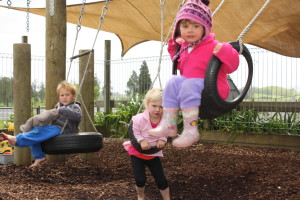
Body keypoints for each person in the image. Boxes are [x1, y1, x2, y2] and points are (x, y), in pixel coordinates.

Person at [149, 0, 239, 148]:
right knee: (173, 81)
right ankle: (169, 124)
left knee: (188, 84)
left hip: (214, 90)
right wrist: (174, 46)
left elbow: (233, 65)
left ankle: (191, 130)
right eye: (185, 26)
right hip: (190, 89)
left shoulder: (214, 45)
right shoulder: (185, 47)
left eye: (196, 26)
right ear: (179, 28)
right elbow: (176, 62)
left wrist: (225, 51)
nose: (190, 30)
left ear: (205, 28)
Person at [0, 81, 82, 168]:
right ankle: (39, 157)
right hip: (55, 128)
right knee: (35, 130)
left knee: (38, 131)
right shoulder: (58, 106)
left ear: (73, 96)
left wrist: (62, 110)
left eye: (67, 95)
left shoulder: (75, 106)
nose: (64, 97)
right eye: (62, 95)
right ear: (59, 96)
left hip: (64, 130)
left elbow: (77, 116)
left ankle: (16, 139)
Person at [123, 88, 170, 200]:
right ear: (147, 104)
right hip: (137, 154)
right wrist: (141, 140)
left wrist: (163, 139)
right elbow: (135, 132)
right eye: (154, 105)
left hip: (153, 154)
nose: (158, 109)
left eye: (161, 106)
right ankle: (141, 196)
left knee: (162, 180)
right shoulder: (138, 119)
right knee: (140, 179)